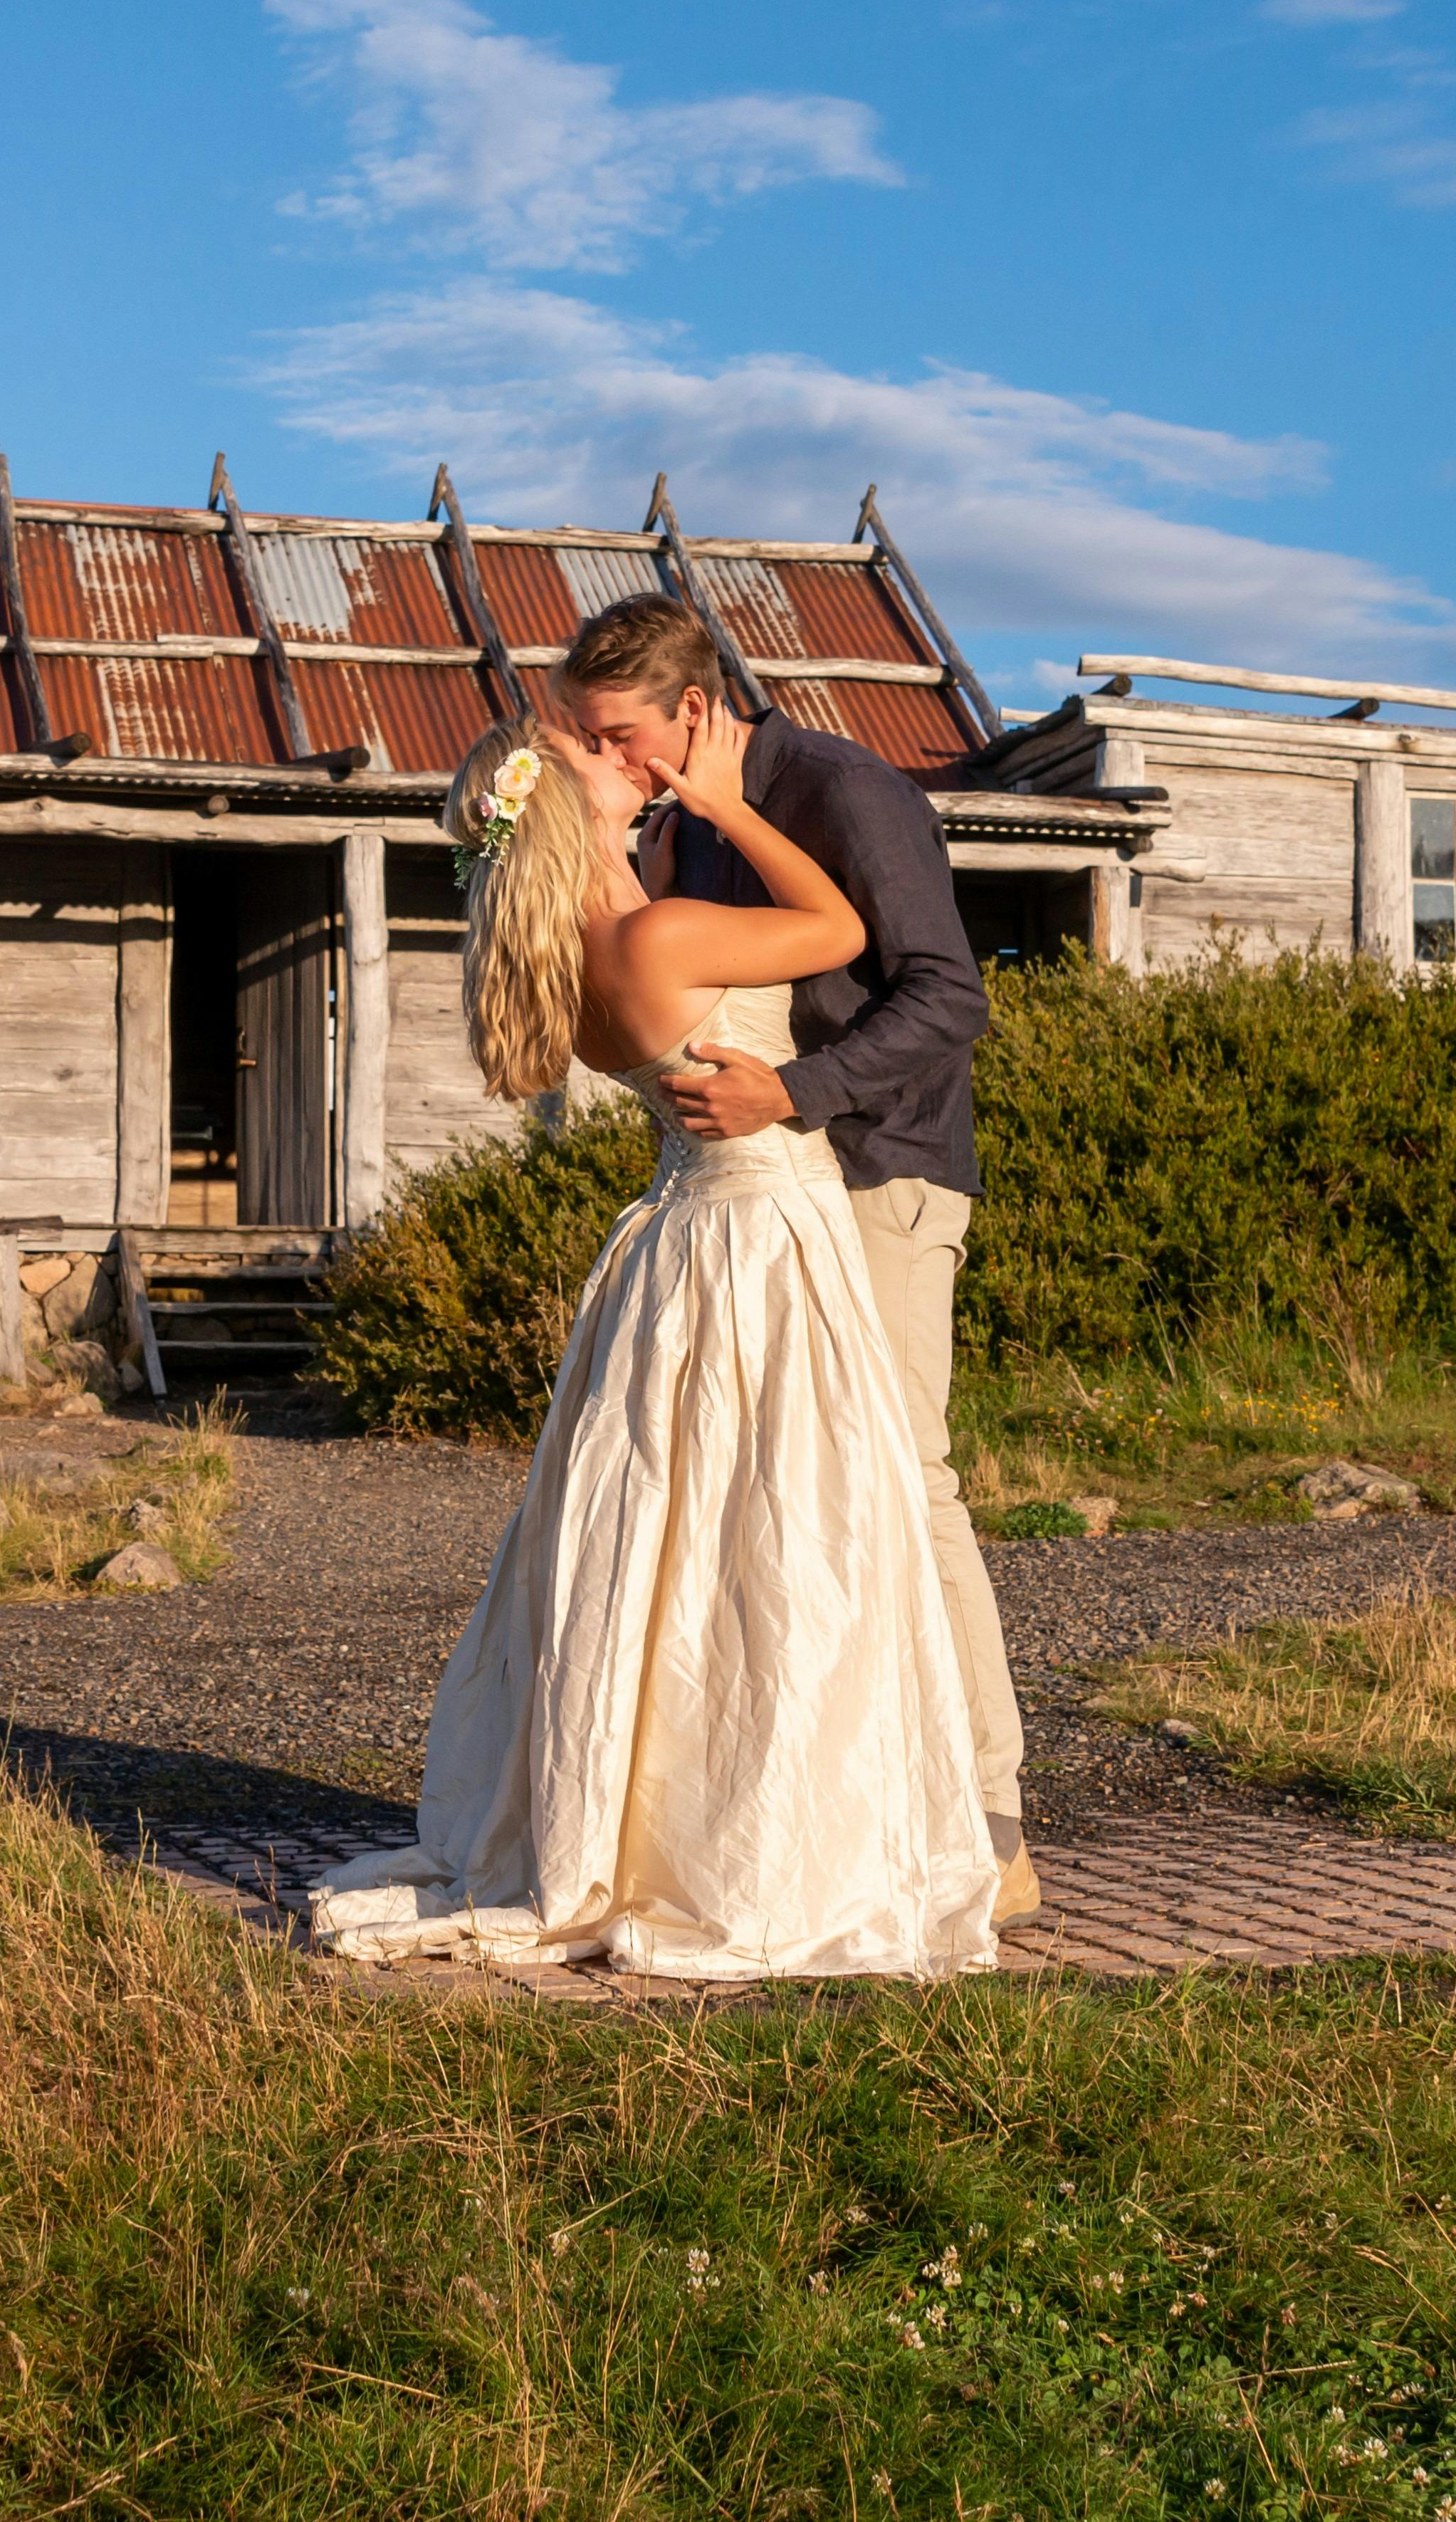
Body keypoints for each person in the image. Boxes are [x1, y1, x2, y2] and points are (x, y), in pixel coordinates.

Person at [305, 694, 1002, 1981]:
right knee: (788, 1529)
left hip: (675, 1240)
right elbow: (844, 930)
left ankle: (645, 1817)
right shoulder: (669, 930)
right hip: (766, 1237)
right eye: (592, 757)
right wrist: (736, 804)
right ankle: (764, 1829)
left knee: (664, 1534)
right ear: (570, 812)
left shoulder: (573, 968)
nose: (628, 762)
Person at [559, 593, 1035, 1922]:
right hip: (764, 1211)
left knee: (906, 1484)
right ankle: (819, 1812)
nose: (611, 761)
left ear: (695, 713)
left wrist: (797, 1093)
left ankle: (990, 1821)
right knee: (779, 1509)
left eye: (621, 735)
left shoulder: (842, 789)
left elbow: (948, 995)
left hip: (879, 1176)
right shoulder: (672, 832)